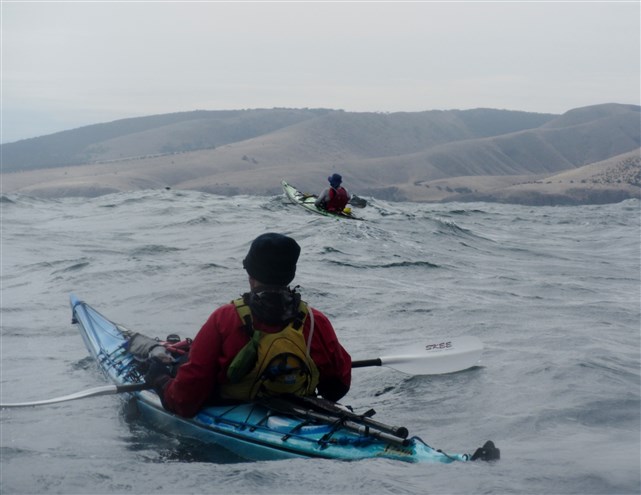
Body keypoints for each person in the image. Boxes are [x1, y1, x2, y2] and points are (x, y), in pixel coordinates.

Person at [145, 233, 352, 418]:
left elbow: (184, 401)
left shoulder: (225, 318)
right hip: (299, 413)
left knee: (179, 365)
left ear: (251, 276)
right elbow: (337, 388)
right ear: (290, 275)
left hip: (232, 412)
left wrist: (160, 379)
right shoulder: (315, 321)